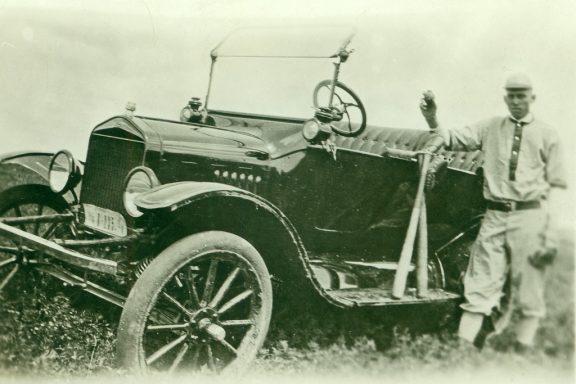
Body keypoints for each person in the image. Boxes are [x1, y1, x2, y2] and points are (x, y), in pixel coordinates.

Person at [419, 73, 567, 352]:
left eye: (522, 95)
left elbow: (557, 186)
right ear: (505, 98)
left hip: (530, 217)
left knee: (529, 288)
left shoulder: (548, 135)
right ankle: (462, 353)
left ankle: (522, 355)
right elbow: (448, 138)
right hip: (495, 215)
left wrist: (550, 233)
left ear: (532, 98)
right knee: (480, 285)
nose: (516, 101)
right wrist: (432, 118)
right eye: (511, 96)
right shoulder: (490, 127)